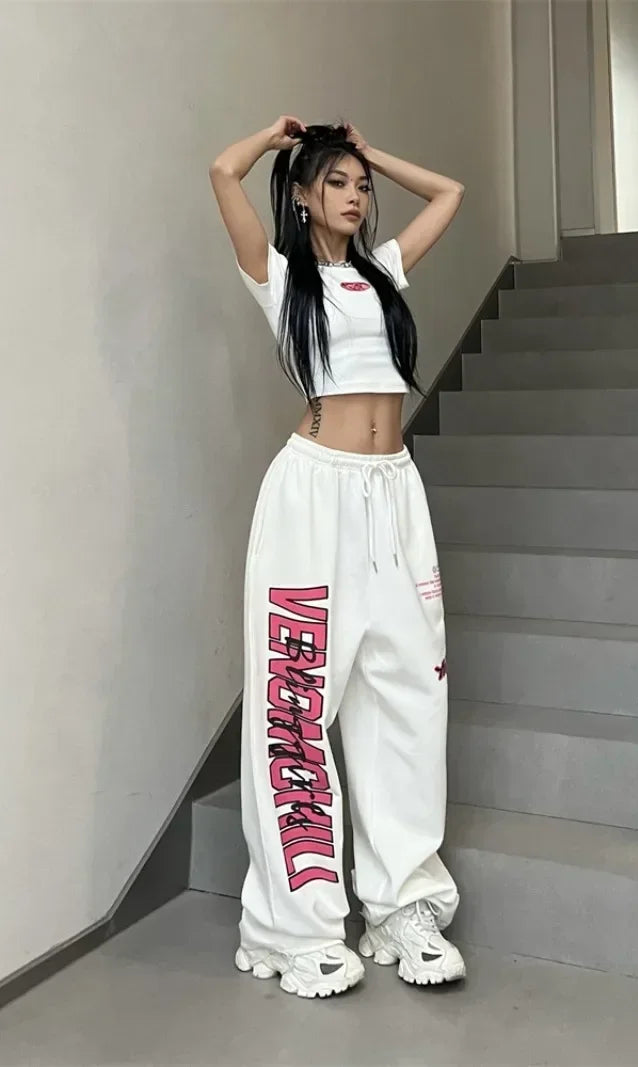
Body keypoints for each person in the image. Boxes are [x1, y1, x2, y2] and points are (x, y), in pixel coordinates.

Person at [208, 116, 466, 999]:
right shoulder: (282, 278)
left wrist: (369, 148)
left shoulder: (382, 272)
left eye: (362, 185)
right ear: (303, 195)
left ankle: (404, 905)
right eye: (338, 182)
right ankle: (299, 925)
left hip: (395, 492)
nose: (355, 195)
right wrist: (275, 138)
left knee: (408, 692)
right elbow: (222, 173)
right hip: (313, 497)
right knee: (297, 701)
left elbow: (451, 195)